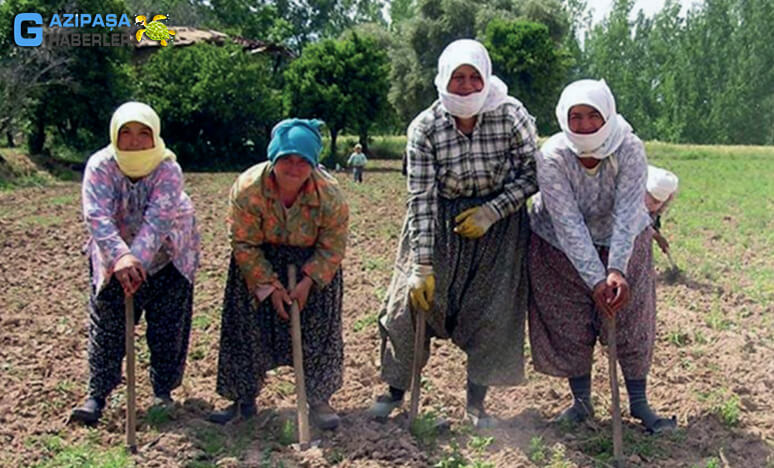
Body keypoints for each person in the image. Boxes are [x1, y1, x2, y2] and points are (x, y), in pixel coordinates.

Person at [367, 39, 538, 427]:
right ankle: (395, 391)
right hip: (440, 219)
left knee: (491, 311)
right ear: (444, 79)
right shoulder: (425, 127)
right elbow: (421, 197)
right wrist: (422, 265)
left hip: (499, 224)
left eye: (473, 77)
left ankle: (476, 406)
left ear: (486, 78)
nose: (465, 85)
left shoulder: (511, 116)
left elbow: (532, 174)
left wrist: (492, 211)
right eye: (457, 77)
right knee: (407, 306)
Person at [527, 79, 676, 434]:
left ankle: (639, 404)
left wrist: (617, 270)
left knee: (632, 320)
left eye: (593, 115)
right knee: (569, 320)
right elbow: (567, 223)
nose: (584, 124)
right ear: (564, 117)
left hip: (625, 240)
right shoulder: (552, 156)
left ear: (607, 114)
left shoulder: (628, 147)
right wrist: (596, 278)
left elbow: (629, 210)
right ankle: (581, 403)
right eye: (575, 116)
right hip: (559, 246)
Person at [210, 119, 349, 429]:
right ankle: (241, 398)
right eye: (286, 159)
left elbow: (333, 246)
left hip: (312, 262)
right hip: (260, 258)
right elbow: (243, 241)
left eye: (303, 161)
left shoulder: (330, 196)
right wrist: (268, 286)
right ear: (274, 158)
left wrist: (308, 282)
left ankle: (318, 399)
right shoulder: (248, 189)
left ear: (313, 163)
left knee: (319, 330)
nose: (294, 167)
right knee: (245, 326)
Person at [70, 102, 200, 425]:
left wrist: (136, 259)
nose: (134, 140)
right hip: (113, 253)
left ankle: (162, 392)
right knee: (109, 323)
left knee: (168, 325)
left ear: (155, 136)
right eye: (125, 132)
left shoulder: (168, 169)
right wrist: (121, 258)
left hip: (168, 253)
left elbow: (158, 221)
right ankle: (97, 395)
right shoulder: (101, 165)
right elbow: (95, 215)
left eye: (144, 133)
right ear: (115, 134)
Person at [646, 165, 679, 255]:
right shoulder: (639, 187)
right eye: (654, 200)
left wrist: (655, 227)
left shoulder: (670, 189)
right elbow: (635, 221)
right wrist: (656, 236)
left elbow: (658, 212)